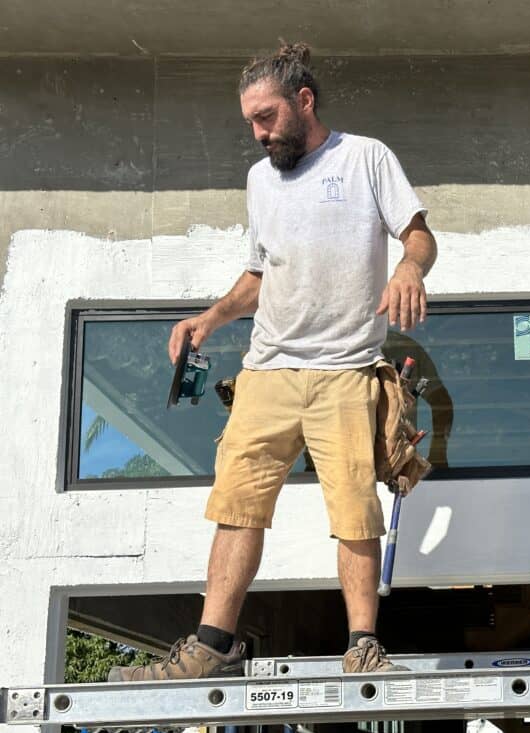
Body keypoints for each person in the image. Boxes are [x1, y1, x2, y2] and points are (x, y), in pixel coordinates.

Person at [109, 42, 437, 680]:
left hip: (346, 368)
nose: (258, 134)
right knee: (237, 505)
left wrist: (407, 266)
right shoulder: (261, 180)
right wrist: (209, 317)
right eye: (250, 122)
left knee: (354, 512)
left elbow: (419, 233)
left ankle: (363, 647)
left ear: (303, 102)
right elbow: (260, 274)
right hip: (266, 372)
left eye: (266, 117)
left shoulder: (366, 157)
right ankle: (211, 647)